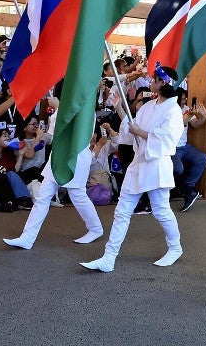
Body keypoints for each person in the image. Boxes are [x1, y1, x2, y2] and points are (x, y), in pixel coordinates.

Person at [82, 69, 184, 272]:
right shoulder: (148, 106)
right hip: (139, 164)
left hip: (156, 164)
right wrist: (119, 107)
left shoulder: (173, 110)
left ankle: (175, 247)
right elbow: (131, 128)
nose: (150, 82)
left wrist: (140, 132)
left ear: (162, 83)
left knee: (161, 210)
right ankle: (109, 257)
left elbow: (167, 138)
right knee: (122, 211)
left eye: (153, 80)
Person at [3, 121, 106, 250]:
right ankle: (27, 237)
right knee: (43, 197)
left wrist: (58, 106)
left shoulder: (86, 105)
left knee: (77, 196)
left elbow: (78, 130)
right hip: (58, 154)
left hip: (76, 155)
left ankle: (95, 228)